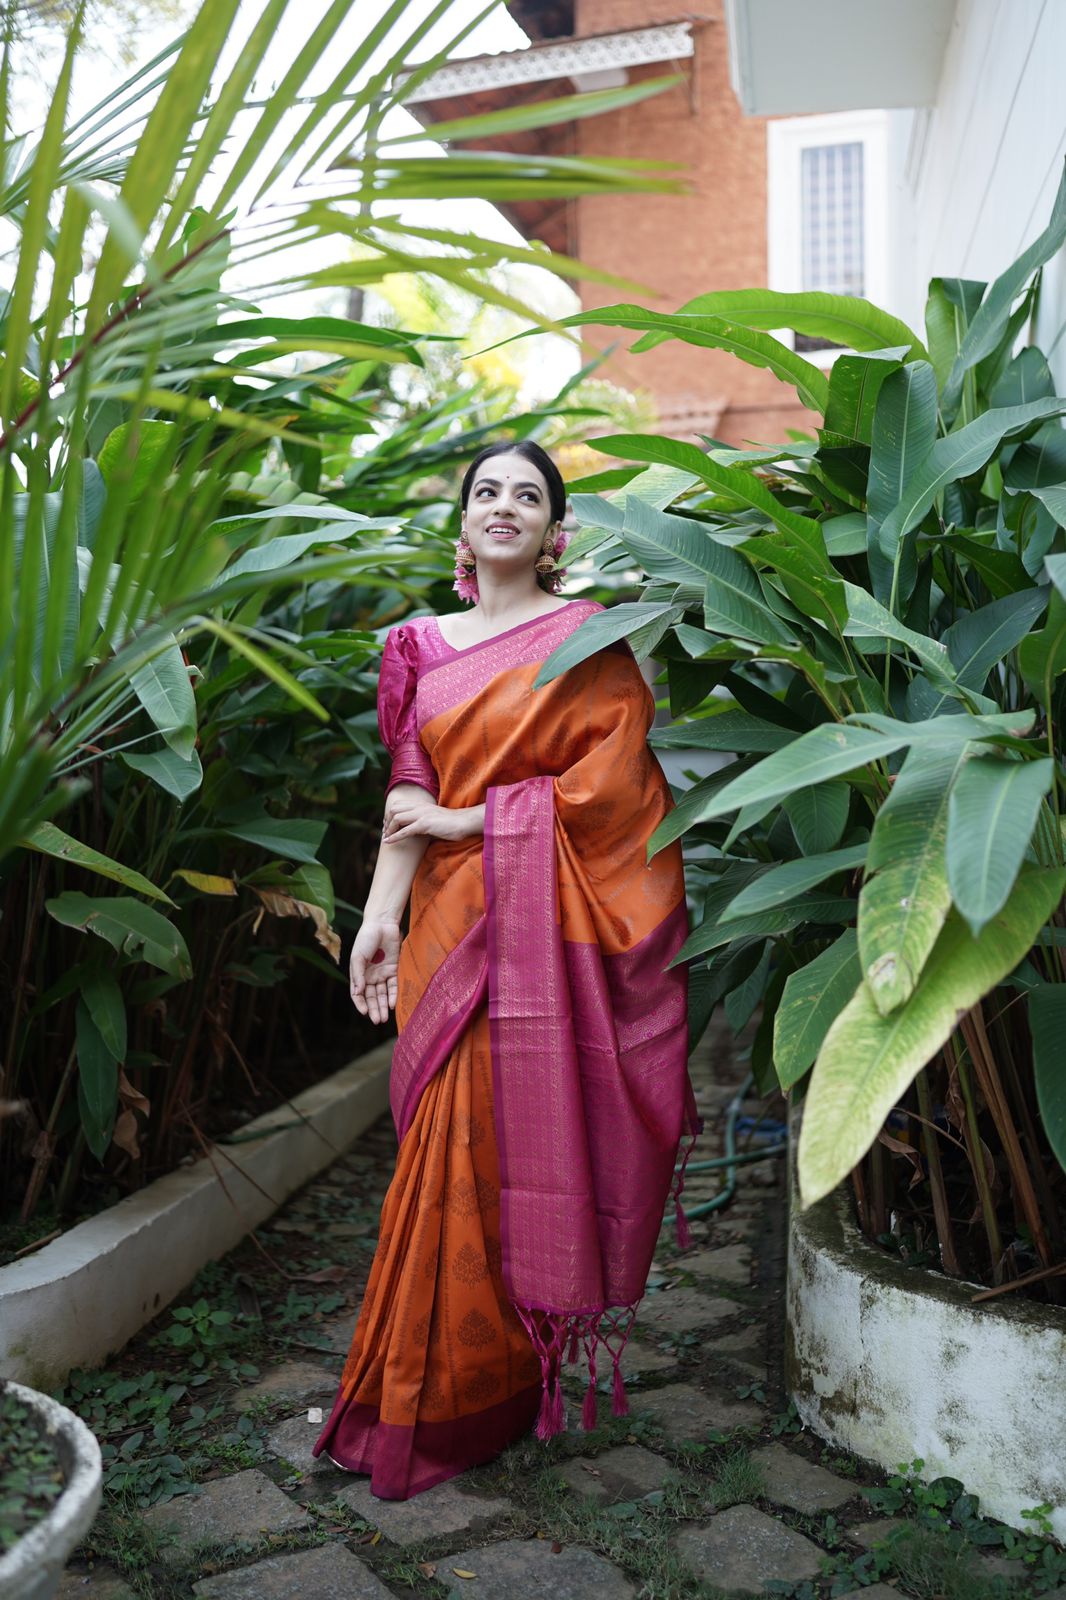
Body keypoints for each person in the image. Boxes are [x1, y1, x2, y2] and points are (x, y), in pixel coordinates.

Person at [313, 439, 698, 1500]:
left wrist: (460, 818)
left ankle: (461, 1390)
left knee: (491, 1149)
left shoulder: (587, 645)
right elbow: (406, 797)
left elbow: (612, 802)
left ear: (554, 534)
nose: (505, 506)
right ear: (463, 528)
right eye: (488, 491)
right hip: (442, 928)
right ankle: (425, 1380)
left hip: (536, 929)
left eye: (528, 496)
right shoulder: (417, 647)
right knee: (435, 1153)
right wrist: (377, 918)